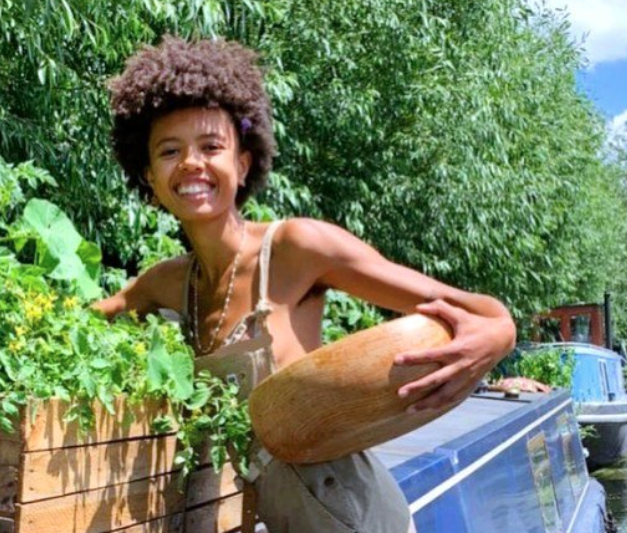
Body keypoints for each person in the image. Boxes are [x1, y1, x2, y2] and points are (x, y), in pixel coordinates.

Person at [92, 36, 516, 533]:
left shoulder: (297, 248)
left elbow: (480, 310)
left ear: (243, 163)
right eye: (170, 151)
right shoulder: (166, 283)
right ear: (149, 176)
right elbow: (80, 320)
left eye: (211, 146)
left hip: (359, 519)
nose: (191, 163)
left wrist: (500, 334)